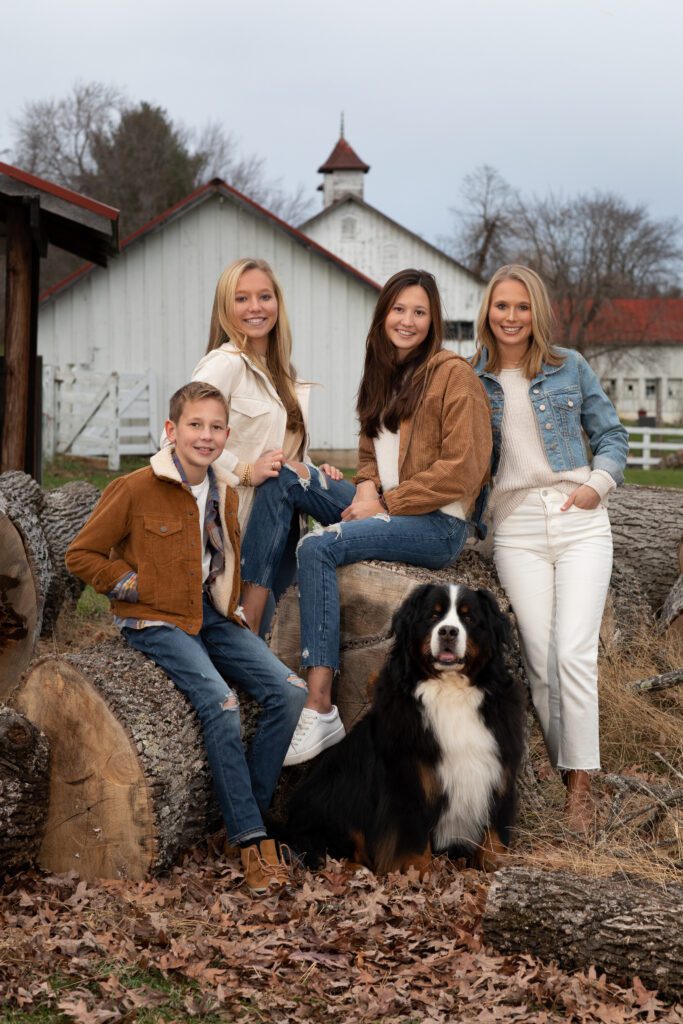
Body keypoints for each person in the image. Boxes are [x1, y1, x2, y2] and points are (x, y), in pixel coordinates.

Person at [239, 268, 493, 766]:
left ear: (433, 320)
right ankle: (248, 630)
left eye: (419, 312)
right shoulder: (381, 371)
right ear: (383, 316)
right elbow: (371, 450)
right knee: (286, 476)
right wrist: (365, 486)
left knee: (318, 545)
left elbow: (462, 471)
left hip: (435, 523)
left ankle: (320, 705)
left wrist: (385, 504)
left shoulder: (452, 375)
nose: (407, 320)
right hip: (384, 505)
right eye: (399, 309)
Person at [66, 381, 308, 894]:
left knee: (289, 692)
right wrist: (134, 586)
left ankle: (244, 819)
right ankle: (251, 843)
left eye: (216, 426)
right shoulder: (135, 487)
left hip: (210, 613)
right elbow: (81, 553)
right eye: (195, 425)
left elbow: (220, 559)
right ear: (172, 431)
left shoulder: (223, 486)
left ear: (226, 434)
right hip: (153, 617)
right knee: (219, 702)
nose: (206, 435)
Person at [473, 264, 629, 832]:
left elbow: (611, 435)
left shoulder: (569, 367)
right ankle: (573, 775)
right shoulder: (471, 377)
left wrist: (597, 484)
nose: (511, 317)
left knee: (572, 654)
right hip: (515, 527)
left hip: (579, 517)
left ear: (537, 311)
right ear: (487, 311)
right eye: (501, 306)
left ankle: (581, 794)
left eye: (522, 307)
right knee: (541, 663)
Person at [175, 258, 342, 625]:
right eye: (242, 298)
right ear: (224, 308)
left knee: (273, 632)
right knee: (245, 630)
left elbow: (282, 450)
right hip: (241, 523)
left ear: (277, 304)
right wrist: (245, 471)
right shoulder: (225, 364)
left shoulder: (282, 373)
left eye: (264, 296)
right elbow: (175, 440)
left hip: (283, 524)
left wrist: (313, 469)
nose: (255, 307)